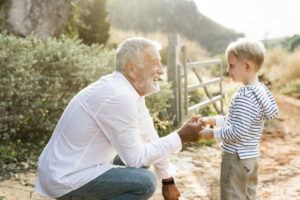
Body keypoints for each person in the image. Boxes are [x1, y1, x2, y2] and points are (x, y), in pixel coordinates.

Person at [35, 37, 203, 200]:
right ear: (132, 69)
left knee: (146, 159)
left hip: (73, 167)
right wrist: (181, 136)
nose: (161, 70)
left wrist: (168, 180)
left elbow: (149, 136)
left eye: (160, 63)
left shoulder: (126, 90)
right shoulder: (119, 95)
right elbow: (135, 158)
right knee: (145, 182)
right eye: (154, 64)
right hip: (66, 177)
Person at [199, 38, 278, 200]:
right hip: (251, 158)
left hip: (235, 158)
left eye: (232, 65)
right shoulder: (260, 91)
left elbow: (238, 131)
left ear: (247, 66)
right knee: (249, 196)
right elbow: (239, 120)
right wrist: (213, 120)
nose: (229, 70)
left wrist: (211, 134)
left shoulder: (244, 95)